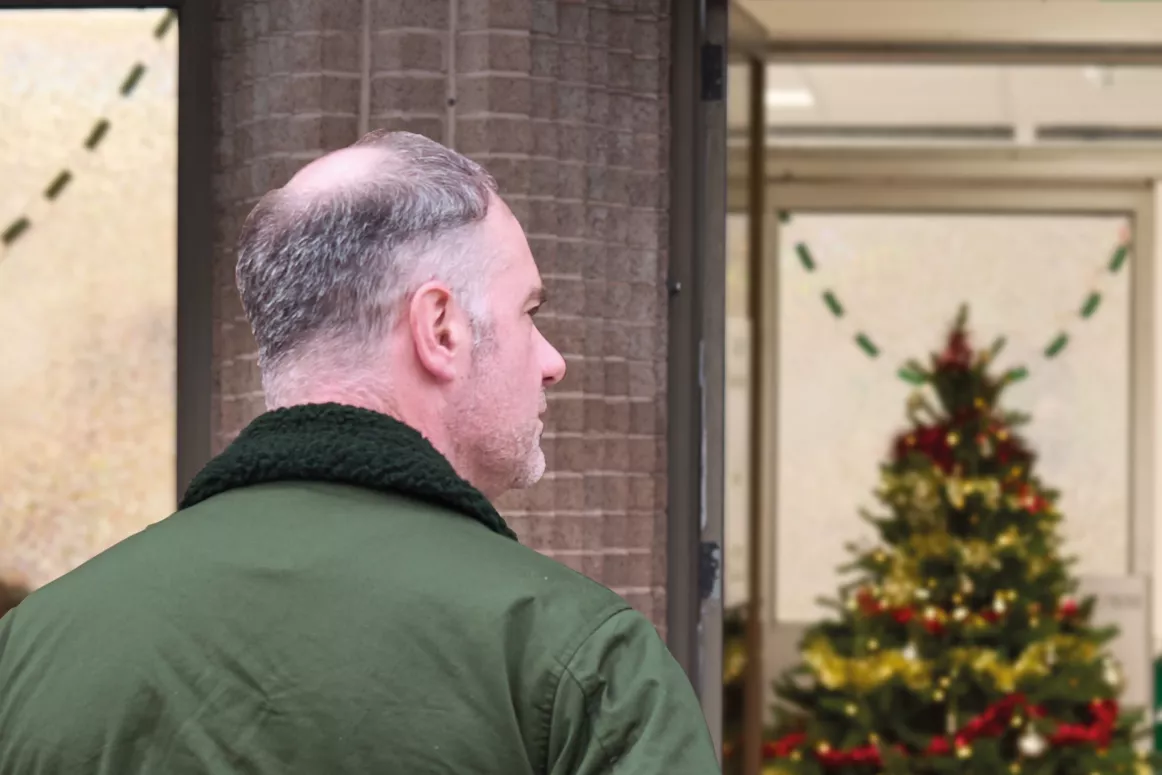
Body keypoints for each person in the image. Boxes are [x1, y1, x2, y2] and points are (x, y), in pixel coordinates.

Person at [0, 131, 720, 774]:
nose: (552, 360)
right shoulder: (578, 662)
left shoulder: (30, 649)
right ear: (440, 327)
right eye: (529, 313)